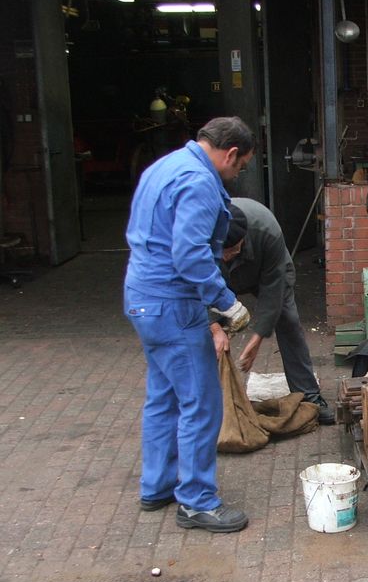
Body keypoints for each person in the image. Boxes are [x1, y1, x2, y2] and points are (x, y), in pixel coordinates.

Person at [124, 116, 255, 533]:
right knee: (201, 403)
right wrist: (226, 304)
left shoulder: (162, 167)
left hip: (143, 297)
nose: (238, 174)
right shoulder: (198, 182)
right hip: (172, 304)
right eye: (241, 166)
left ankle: (157, 486)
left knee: (164, 396)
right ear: (230, 152)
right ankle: (197, 502)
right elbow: (190, 253)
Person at [215, 197, 335, 425]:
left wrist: (258, 337)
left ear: (244, 238)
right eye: (222, 250)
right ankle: (208, 403)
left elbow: (274, 290)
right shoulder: (200, 232)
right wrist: (214, 327)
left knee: (288, 321)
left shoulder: (266, 230)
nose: (226, 256)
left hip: (266, 270)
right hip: (214, 279)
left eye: (232, 250)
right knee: (207, 337)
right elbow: (194, 288)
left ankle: (309, 397)